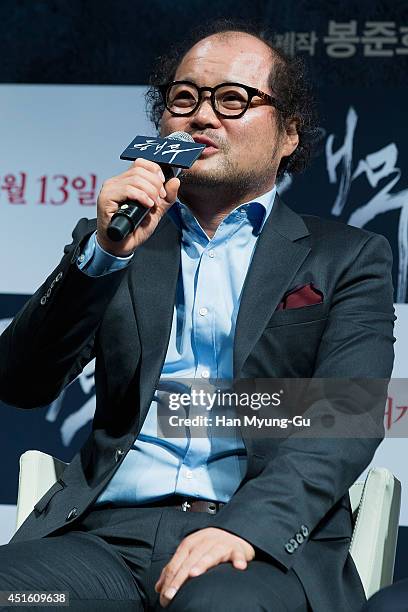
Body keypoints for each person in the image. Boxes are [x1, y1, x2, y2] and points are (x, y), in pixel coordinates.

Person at [0, 18, 395, 612]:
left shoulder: (346, 257)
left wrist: (246, 528)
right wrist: (103, 256)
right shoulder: (117, 243)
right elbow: (21, 382)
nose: (202, 117)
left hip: (254, 549)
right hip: (102, 544)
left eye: (233, 99)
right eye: (183, 98)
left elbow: (345, 416)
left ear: (288, 133)